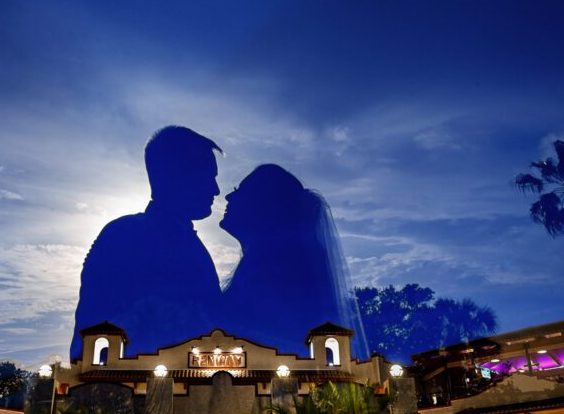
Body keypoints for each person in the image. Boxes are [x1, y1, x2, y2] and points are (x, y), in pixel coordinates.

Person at [69, 126, 223, 359]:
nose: (216, 189)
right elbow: (91, 332)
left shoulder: (192, 246)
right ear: (175, 175)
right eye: (208, 176)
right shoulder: (124, 236)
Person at [219, 164, 369, 358]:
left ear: (263, 206)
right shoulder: (271, 266)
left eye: (239, 191)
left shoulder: (271, 272)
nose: (229, 197)